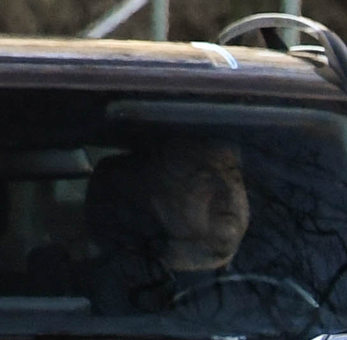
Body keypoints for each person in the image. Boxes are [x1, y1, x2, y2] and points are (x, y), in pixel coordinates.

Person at [92, 137, 318, 325]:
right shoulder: (117, 294)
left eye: (235, 177)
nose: (227, 192)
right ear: (164, 207)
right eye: (204, 179)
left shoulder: (283, 288)